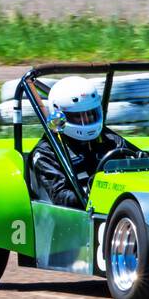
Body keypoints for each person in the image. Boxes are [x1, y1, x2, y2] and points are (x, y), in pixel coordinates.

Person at [29, 76, 137, 207]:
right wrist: (98, 193)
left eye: (90, 114)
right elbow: (60, 197)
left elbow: (139, 168)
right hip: (70, 219)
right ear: (59, 117)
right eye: (77, 116)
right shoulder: (47, 152)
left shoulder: (110, 140)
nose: (86, 121)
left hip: (116, 208)